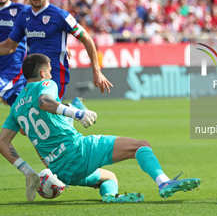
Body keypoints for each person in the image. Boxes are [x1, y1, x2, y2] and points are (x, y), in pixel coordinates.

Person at [0, 53, 201, 202]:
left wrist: (28, 171)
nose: (52, 73)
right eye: (51, 70)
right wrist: (77, 114)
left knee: (109, 178)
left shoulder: (17, 107)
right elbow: (44, 101)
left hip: (59, 170)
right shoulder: (46, 85)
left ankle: (110, 197)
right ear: (43, 72)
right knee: (141, 146)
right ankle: (164, 182)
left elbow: (3, 141)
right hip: (78, 152)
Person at [0, 0, 112, 100]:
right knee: (25, 115)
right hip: (33, 78)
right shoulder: (23, 16)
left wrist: (96, 71)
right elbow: (10, 46)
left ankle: (75, 112)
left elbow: (86, 38)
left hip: (54, 76)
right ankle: (73, 108)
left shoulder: (60, 15)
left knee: (43, 104)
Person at [0, 0, 27, 106]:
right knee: (23, 119)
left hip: (14, 69)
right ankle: (71, 109)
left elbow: (47, 19)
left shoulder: (21, 10)